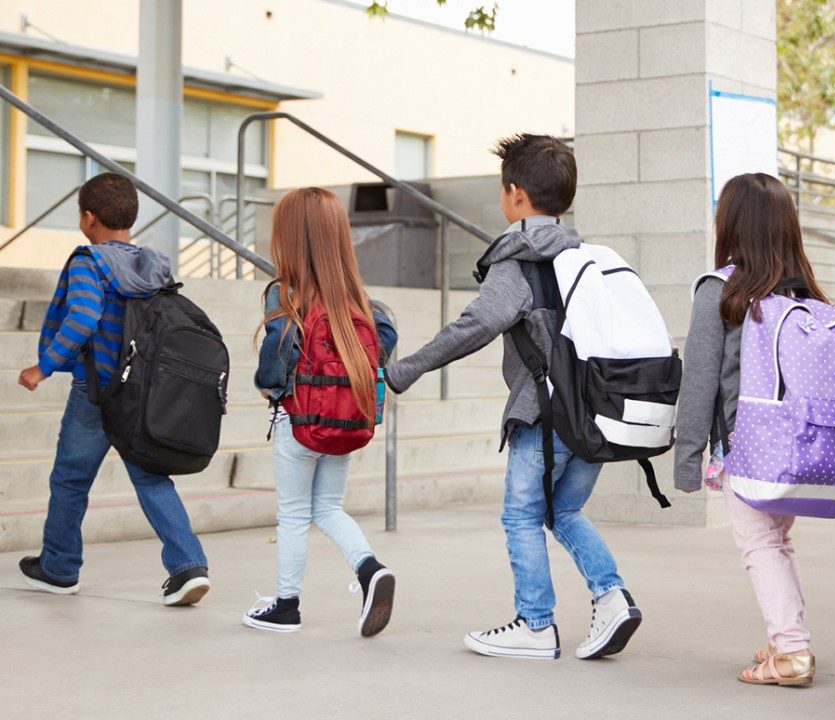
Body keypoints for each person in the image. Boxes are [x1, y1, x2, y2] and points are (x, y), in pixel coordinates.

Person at [384, 134, 642, 661]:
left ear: (515, 194)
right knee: (564, 511)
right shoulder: (585, 255)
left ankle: (535, 623)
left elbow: (477, 323)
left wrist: (403, 370)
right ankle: (612, 596)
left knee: (521, 515)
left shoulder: (520, 259)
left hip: (545, 413)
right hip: (597, 413)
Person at [16, 172, 211, 606]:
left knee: (70, 479)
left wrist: (43, 367)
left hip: (96, 394)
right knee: (151, 477)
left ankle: (60, 568)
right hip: (141, 394)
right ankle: (188, 566)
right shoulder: (153, 265)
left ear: (88, 219)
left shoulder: (90, 262)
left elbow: (83, 316)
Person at [672, 172, 832, 687]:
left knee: (758, 544)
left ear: (731, 224)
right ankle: (785, 637)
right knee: (776, 541)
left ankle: (791, 652)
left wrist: (687, 456)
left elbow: (698, 380)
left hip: (748, 444)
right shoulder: (805, 293)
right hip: (799, 443)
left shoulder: (720, 290)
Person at [242, 187, 399, 637]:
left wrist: (269, 387)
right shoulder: (360, 301)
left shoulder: (284, 295)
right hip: (344, 420)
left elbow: (275, 361)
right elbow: (385, 340)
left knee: (293, 515)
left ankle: (286, 606)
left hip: (299, 424)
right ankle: (370, 570)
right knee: (328, 507)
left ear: (288, 238)